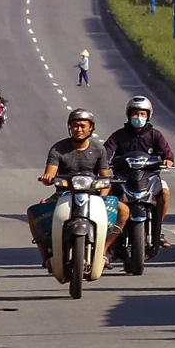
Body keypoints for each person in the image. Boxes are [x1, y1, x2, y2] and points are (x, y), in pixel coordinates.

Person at [27, 110, 125, 267]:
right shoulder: (58, 149)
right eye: (74, 126)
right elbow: (50, 173)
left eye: (82, 126)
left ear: (91, 128)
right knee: (33, 212)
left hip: (93, 195)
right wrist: (48, 178)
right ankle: (46, 257)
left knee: (124, 211)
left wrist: (103, 197)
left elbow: (106, 178)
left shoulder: (99, 149)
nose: (78, 129)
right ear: (69, 127)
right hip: (64, 195)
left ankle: (103, 251)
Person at [104, 95, 174, 244]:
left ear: (148, 115)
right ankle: (108, 232)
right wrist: (104, 161)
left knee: (165, 192)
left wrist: (168, 160)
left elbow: (168, 154)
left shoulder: (155, 135)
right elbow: (106, 152)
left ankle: (157, 229)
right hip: (123, 178)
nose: (138, 117)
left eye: (142, 114)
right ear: (129, 115)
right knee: (105, 194)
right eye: (135, 113)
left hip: (149, 177)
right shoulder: (118, 135)